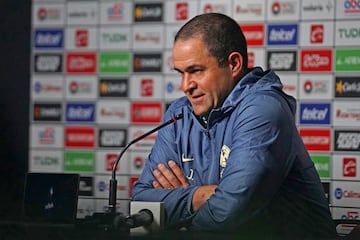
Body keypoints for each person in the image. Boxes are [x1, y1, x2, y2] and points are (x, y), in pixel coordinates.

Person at [132, 13, 337, 239]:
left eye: (196, 71)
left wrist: (177, 212)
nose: (185, 86)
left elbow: (225, 217)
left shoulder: (263, 109)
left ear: (234, 64)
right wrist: (198, 197)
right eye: (181, 74)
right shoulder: (179, 114)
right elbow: (142, 202)